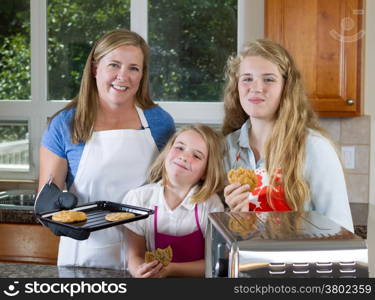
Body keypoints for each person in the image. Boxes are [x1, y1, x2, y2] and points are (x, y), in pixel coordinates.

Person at [38, 29, 175, 269]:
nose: (123, 76)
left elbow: (173, 186)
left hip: (147, 258)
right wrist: (54, 209)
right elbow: (47, 194)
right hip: (84, 257)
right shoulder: (65, 124)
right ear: (94, 68)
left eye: (134, 68)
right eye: (114, 65)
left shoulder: (160, 122)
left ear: (142, 75)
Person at [222, 39, 354, 232]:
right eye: (247, 78)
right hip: (247, 260)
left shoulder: (314, 148)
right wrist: (235, 216)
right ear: (236, 86)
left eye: (268, 79)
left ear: (287, 87)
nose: (256, 88)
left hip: (303, 261)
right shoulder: (227, 147)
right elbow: (223, 229)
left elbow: (341, 231)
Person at [123, 124, 225, 277]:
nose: (184, 157)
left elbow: (213, 263)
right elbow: (135, 255)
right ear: (167, 152)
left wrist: (170, 269)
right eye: (179, 147)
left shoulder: (210, 205)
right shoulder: (138, 199)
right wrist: (140, 272)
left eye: (197, 156)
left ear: (206, 171)